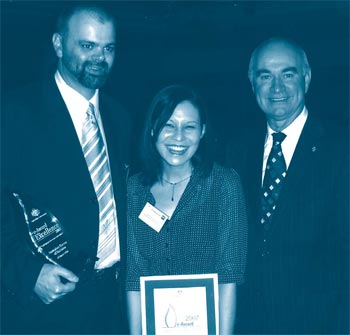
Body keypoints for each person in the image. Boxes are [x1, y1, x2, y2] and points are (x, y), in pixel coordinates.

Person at [1, 4, 130, 334]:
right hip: (43, 309)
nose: (100, 57)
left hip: (110, 306)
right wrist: (28, 274)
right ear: (58, 44)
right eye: (87, 46)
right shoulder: (13, 114)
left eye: (108, 47)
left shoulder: (121, 118)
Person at [226, 37, 349, 334]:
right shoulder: (234, 152)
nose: (276, 87)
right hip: (251, 322)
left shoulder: (342, 149)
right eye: (265, 76)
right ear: (252, 83)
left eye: (288, 74)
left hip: (324, 322)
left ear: (306, 78)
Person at [125, 84, 248, 335]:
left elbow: (229, 276)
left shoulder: (224, 184)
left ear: (202, 131)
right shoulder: (133, 190)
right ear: (152, 129)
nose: (178, 137)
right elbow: (134, 278)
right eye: (168, 125)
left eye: (189, 127)